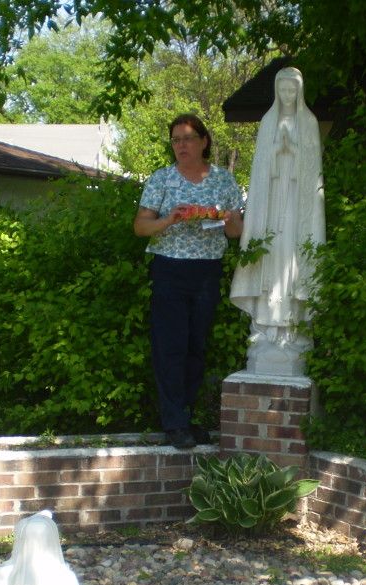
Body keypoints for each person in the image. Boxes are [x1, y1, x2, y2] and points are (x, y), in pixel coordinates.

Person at [134, 114, 244, 450]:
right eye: (176, 140)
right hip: (170, 268)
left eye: (187, 138)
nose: (181, 145)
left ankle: (187, 417)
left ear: (204, 141)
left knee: (196, 347)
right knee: (171, 346)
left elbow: (236, 232)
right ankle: (174, 423)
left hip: (207, 270)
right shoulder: (162, 179)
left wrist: (228, 217)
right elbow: (140, 227)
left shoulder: (224, 181)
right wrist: (170, 219)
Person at [230, 67, 325, 375]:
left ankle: (292, 330)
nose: (287, 95)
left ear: (299, 92)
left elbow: (312, 172)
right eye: (282, 90)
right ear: (276, 92)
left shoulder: (308, 123)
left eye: (292, 91)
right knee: (269, 260)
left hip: (298, 212)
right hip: (270, 210)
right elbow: (259, 172)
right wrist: (276, 150)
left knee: (293, 262)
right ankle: (266, 327)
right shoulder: (268, 122)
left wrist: (293, 150)